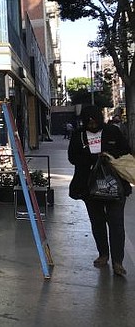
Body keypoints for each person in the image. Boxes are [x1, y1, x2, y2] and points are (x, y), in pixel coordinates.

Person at [68, 105, 132, 276]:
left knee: (116, 224)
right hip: (89, 187)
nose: (91, 123)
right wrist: (90, 160)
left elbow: (126, 152)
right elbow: (72, 157)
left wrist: (109, 155)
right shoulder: (78, 135)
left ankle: (118, 262)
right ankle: (103, 254)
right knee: (97, 223)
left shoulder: (112, 132)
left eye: (94, 120)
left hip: (115, 185)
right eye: (88, 121)